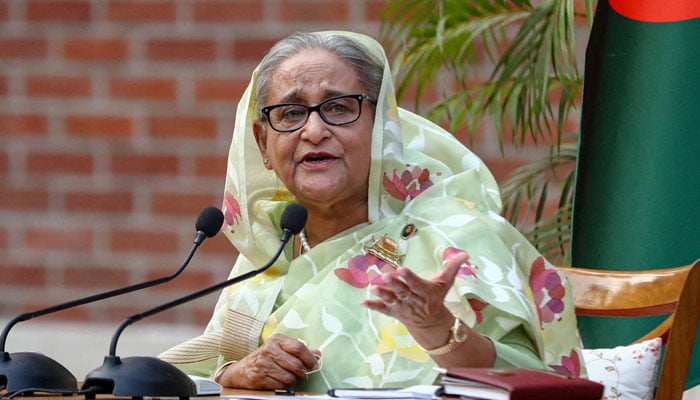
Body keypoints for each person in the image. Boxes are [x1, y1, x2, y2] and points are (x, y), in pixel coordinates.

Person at [159, 30, 585, 392]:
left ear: (382, 126)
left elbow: (537, 384)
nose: (314, 130)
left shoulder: (455, 237)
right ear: (262, 143)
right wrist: (240, 373)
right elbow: (197, 377)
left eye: (339, 108)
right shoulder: (268, 257)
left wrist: (441, 330)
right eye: (290, 113)